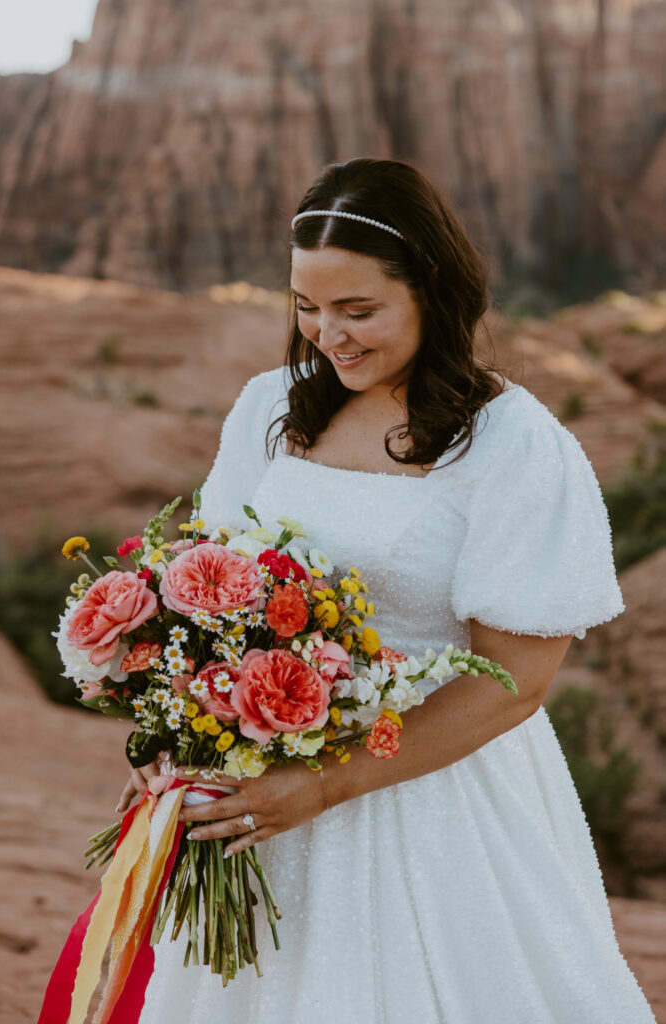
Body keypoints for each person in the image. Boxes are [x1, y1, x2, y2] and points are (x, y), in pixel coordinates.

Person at [124, 158, 656, 1023]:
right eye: (306, 305)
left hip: (433, 803)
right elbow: (207, 589)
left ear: (432, 287)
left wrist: (326, 784)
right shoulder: (271, 405)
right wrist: (174, 738)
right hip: (257, 791)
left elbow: (516, 682)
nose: (329, 335)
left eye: (357, 309)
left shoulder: (513, 444)